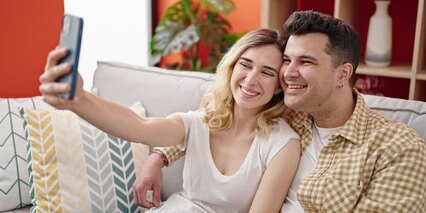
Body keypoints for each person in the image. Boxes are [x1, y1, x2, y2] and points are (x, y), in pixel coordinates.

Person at [135, 11, 426, 212]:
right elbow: (215, 122)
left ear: (343, 73)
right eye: (287, 60)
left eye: (306, 62)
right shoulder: (285, 111)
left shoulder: (397, 149)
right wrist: (159, 157)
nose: (288, 73)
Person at [39, 28, 301, 213]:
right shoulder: (202, 121)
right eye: (245, 64)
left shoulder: (282, 143)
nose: (251, 79)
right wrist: (80, 100)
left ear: (279, 87)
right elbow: (139, 127)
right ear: (232, 67)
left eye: (267, 72)